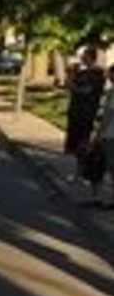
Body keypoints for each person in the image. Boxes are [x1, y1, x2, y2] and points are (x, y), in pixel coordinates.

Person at [65, 47, 106, 177]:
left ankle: (85, 171)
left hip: (86, 113)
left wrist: (73, 85)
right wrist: (70, 73)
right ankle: (79, 171)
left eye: (85, 55)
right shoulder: (81, 72)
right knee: (75, 144)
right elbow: (69, 84)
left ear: (91, 57)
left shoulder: (97, 73)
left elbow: (86, 91)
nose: (82, 58)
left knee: (83, 143)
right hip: (75, 111)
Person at [91, 64, 114, 208]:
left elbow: (108, 115)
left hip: (110, 134)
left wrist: (99, 133)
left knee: (109, 166)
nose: (108, 77)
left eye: (110, 74)